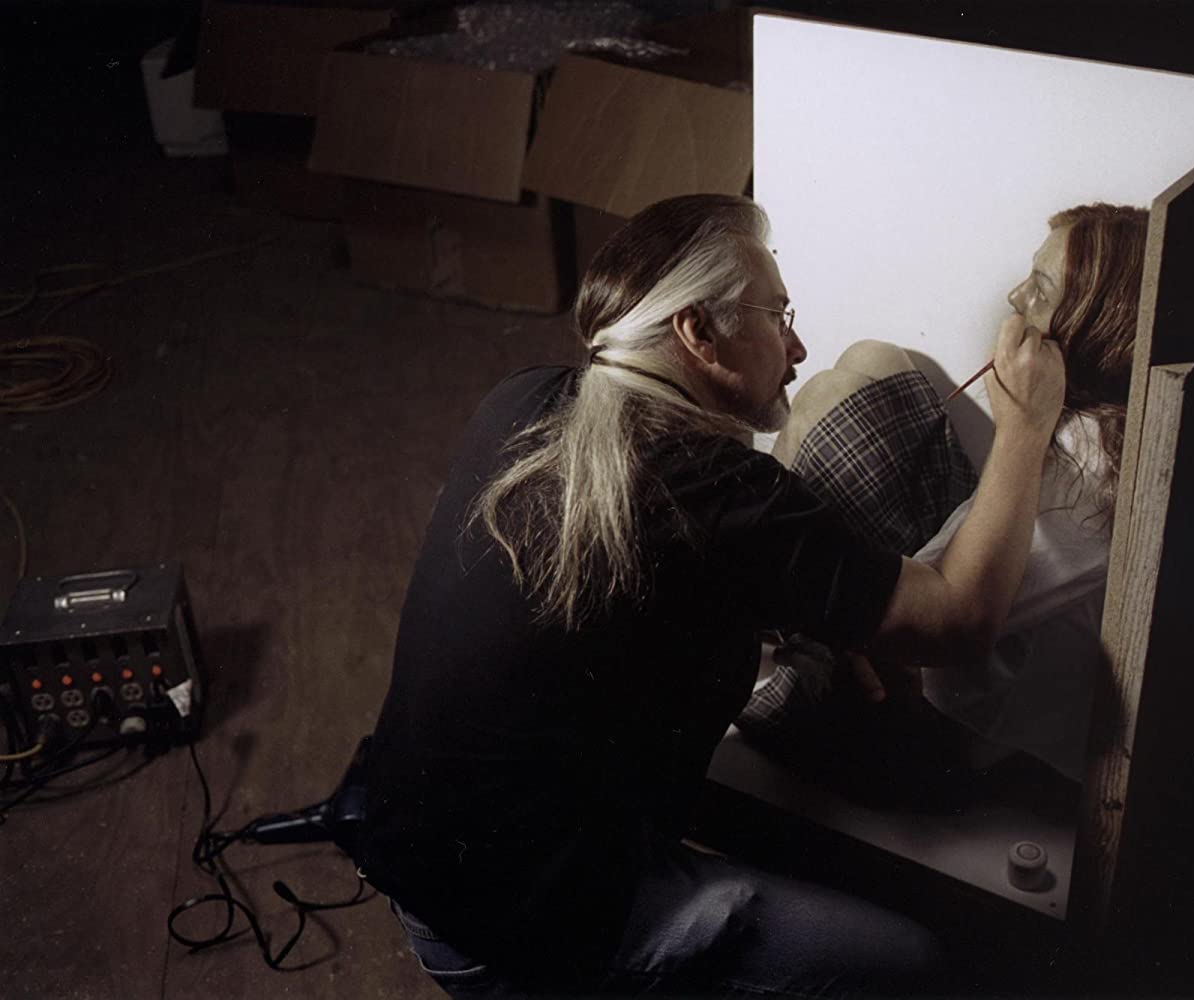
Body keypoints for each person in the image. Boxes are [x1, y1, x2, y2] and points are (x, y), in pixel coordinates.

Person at [354, 194, 1067, 996]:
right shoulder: (721, 490)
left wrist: (829, 617)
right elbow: (962, 620)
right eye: (777, 315)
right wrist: (1026, 424)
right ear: (697, 331)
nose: (797, 347)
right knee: (913, 966)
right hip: (517, 927)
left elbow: (649, 579)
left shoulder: (527, 396)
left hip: (415, 858)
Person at [738, 203, 1148, 792]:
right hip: (959, 620)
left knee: (826, 398)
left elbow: (939, 617)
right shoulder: (1099, 420)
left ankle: (787, 653)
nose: (1014, 297)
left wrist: (1021, 423)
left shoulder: (1089, 475)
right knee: (872, 359)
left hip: (936, 723)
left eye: (1039, 289)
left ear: (1092, 327)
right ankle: (780, 612)